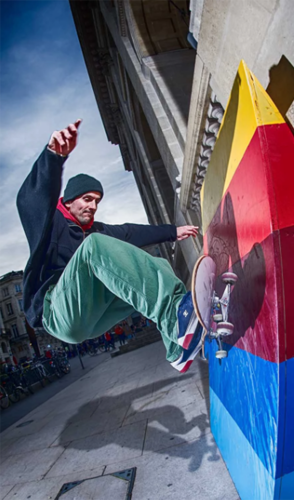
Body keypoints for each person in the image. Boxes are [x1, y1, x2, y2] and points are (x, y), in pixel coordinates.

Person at [17, 120, 203, 373]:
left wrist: (173, 232)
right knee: (94, 246)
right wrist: (53, 157)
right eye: (87, 199)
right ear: (69, 201)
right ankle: (176, 318)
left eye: (96, 201)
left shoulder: (97, 230)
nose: (92, 206)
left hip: (92, 318)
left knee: (154, 266)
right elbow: (30, 201)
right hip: (57, 314)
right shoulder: (50, 222)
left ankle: (178, 346)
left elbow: (131, 232)